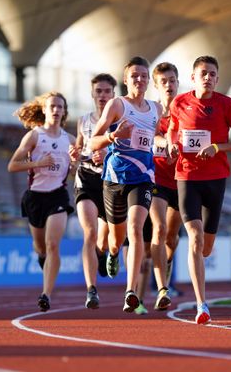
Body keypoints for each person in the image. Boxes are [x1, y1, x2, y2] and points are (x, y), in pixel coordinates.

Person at [167, 55, 231, 324]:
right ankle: (202, 305)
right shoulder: (179, 102)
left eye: (212, 74)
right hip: (187, 177)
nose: (208, 78)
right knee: (195, 237)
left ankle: (201, 262)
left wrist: (218, 147)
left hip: (216, 179)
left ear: (217, 78)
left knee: (206, 247)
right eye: (203, 73)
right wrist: (170, 143)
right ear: (193, 77)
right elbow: (171, 130)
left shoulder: (227, 105)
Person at [89, 56, 162, 313]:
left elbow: (158, 138)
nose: (139, 80)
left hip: (142, 178)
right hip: (114, 178)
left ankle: (130, 291)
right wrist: (113, 136)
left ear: (148, 80)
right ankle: (111, 253)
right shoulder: (116, 105)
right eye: (134, 76)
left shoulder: (156, 109)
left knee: (136, 228)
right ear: (126, 80)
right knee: (116, 239)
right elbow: (92, 142)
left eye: (143, 76)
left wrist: (168, 146)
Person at [7, 91, 76, 312]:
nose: (56, 110)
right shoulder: (34, 136)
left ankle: (45, 294)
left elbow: (76, 172)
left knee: (53, 244)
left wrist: (75, 167)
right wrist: (38, 164)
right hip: (35, 197)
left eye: (60, 107)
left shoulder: (70, 140)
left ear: (65, 112)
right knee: (40, 247)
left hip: (58, 195)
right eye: (52, 106)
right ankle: (41, 257)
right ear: (44, 110)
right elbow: (13, 165)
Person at [69, 73, 117, 309]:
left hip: (111, 181)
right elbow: (79, 147)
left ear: (113, 94)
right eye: (98, 91)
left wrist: (107, 154)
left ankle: (102, 253)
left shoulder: (120, 121)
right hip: (86, 178)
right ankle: (91, 290)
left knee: (106, 240)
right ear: (92, 94)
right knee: (89, 232)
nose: (102, 96)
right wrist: (75, 154)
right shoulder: (83, 121)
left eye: (107, 91)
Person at [148, 62, 183, 311]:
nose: (168, 85)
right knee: (158, 229)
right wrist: (166, 141)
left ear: (178, 82)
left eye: (172, 80)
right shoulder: (151, 111)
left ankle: (167, 263)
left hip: (182, 180)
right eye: (163, 81)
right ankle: (162, 289)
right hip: (157, 178)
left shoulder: (187, 110)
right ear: (156, 85)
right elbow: (150, 137)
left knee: (171, 237)